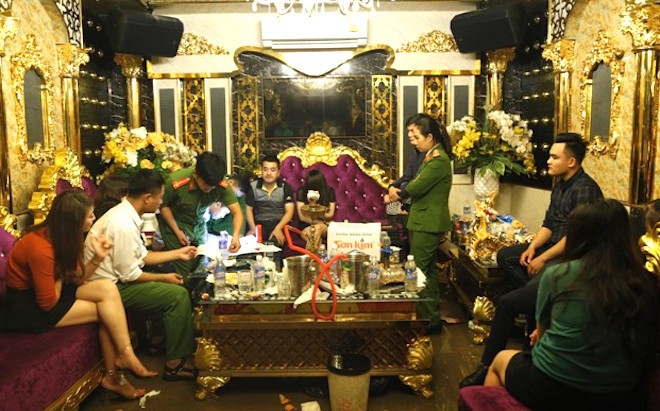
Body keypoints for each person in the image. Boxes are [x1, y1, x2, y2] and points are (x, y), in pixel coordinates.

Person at [486, 199, 659, 410]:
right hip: (620, 394)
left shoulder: (559, 275)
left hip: (556, 387)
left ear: (578, 235)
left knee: (499, 360)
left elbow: (541, 334)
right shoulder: (644, 281)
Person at [460, 132, 603, 387]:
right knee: (506, 256)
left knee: (508, 301)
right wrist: (533, 248)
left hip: (568, 255)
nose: (548, 161)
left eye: (554, 157)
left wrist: (543, 258)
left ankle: (487, 365)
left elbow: (574, 237)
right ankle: (535, 303)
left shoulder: (585, 189)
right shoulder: (560, 184)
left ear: (571, 161)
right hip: (551, 246)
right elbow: (549, 224)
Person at [3, 190, 156, 401]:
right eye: (90, 215)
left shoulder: (65, 236)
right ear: (74, 221)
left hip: (53, 289)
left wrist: (98, 258)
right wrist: (60, 272)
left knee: (107, 289)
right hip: (28, 307)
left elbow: (78, 279)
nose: (94, 218)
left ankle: (126, 354)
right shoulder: (39, 247)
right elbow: (47, 303)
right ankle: (115, 375)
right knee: (106, 312)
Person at [85, 169, 199, 381]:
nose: (161, 202)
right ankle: (176, 363)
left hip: (117, 281)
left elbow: (142, 257)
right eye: (160, 197)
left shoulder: (126, 214)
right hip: (107, 289)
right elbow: (130, 275)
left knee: (170, 283)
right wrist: (164, 278)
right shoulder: (123, 224)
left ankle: (164, 342)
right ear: (147, 198)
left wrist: (179, 253)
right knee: (177, 295)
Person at [398, 113, 453, 334]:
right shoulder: (429, 156)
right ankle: (430, 316)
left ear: (429, 136)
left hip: (428, 223)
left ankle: (425, 319)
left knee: (417, 271)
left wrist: (397, 193)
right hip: (421, 221)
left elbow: (415, 186)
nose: (414, 141)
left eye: (417, 136)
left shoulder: (438, 160)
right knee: (428, 271)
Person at [158, 152, 243, 277]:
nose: (209, 189)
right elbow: (163, 206)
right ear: (195, 174)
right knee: (185, 267)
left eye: (213, 186)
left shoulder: (220, 184)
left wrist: (235, 236)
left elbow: (237, 212)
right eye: (205, 185)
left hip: (199, 224)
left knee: (201, 262)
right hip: (176, 224)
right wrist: (177, 231)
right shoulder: (177, 181)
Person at [245, 154, 295, 246]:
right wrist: (253, 229)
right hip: (259, 224)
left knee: (276, 244)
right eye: (265, 169)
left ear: (278, 172)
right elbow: (248, 209)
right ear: (261, 171)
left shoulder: (285, 187)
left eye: (272, 170)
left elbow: (289, 211)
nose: (268, 173)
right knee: (251, 244)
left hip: (279, 223)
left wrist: (278, 228)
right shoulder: (253, 186)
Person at [295, 169, 336, 250]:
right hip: (306, 225)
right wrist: (319, 220)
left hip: (324, 225)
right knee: (311, 234)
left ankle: (311, 255)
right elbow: (302, 217)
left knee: (318, 228)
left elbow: (330, 214)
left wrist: (318, 214)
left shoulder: (329, 191)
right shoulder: (301, 192)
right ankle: (316, 253)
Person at [206, 173, 250, 237]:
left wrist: (238, 233)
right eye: (234, 194)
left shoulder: (238, 196)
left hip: (221, 229)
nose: (233, 197)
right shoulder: (213, 184)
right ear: (230, 182)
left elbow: (240, 213)